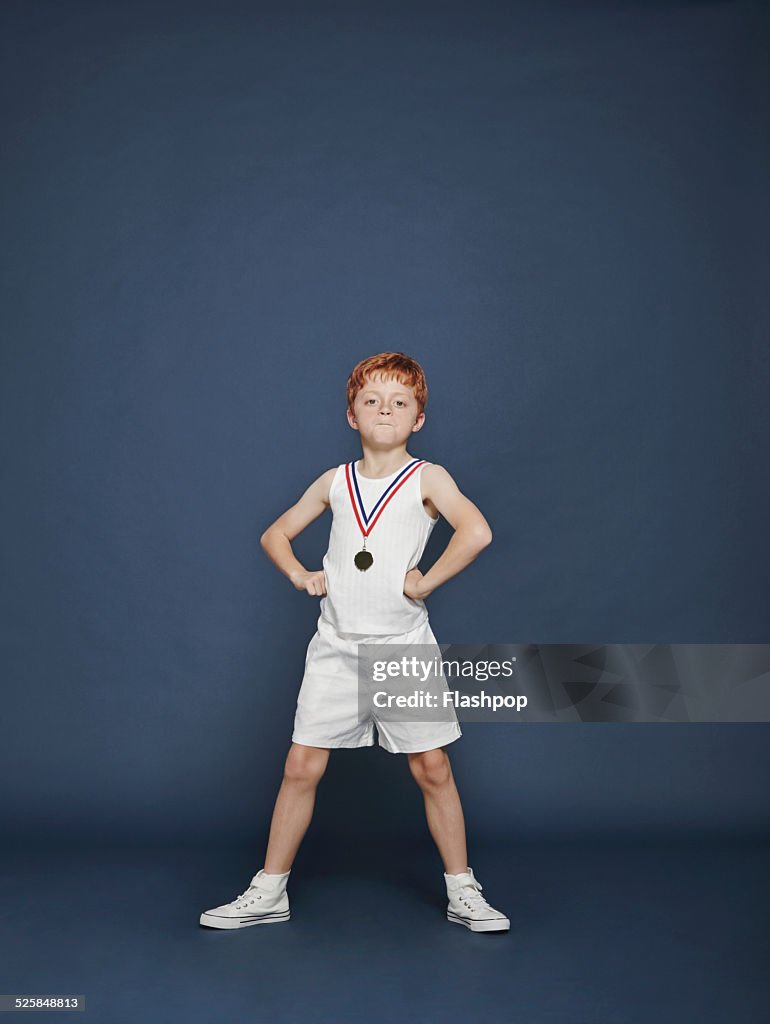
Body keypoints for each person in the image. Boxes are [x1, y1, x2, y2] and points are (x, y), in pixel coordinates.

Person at [199, 352, 509, 933]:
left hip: (402, 645)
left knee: (433, 768)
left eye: (400, 402)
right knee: (301, 765)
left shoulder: (427, 478)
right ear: (351, 415)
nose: (385, 409)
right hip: (336, 646)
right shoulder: (334, 482)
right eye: (372, 401)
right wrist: (300, 574)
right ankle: (269, 892)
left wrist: (425, 581)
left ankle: (463, 891)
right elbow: (275, 534)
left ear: (419, 418)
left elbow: (477, 531)